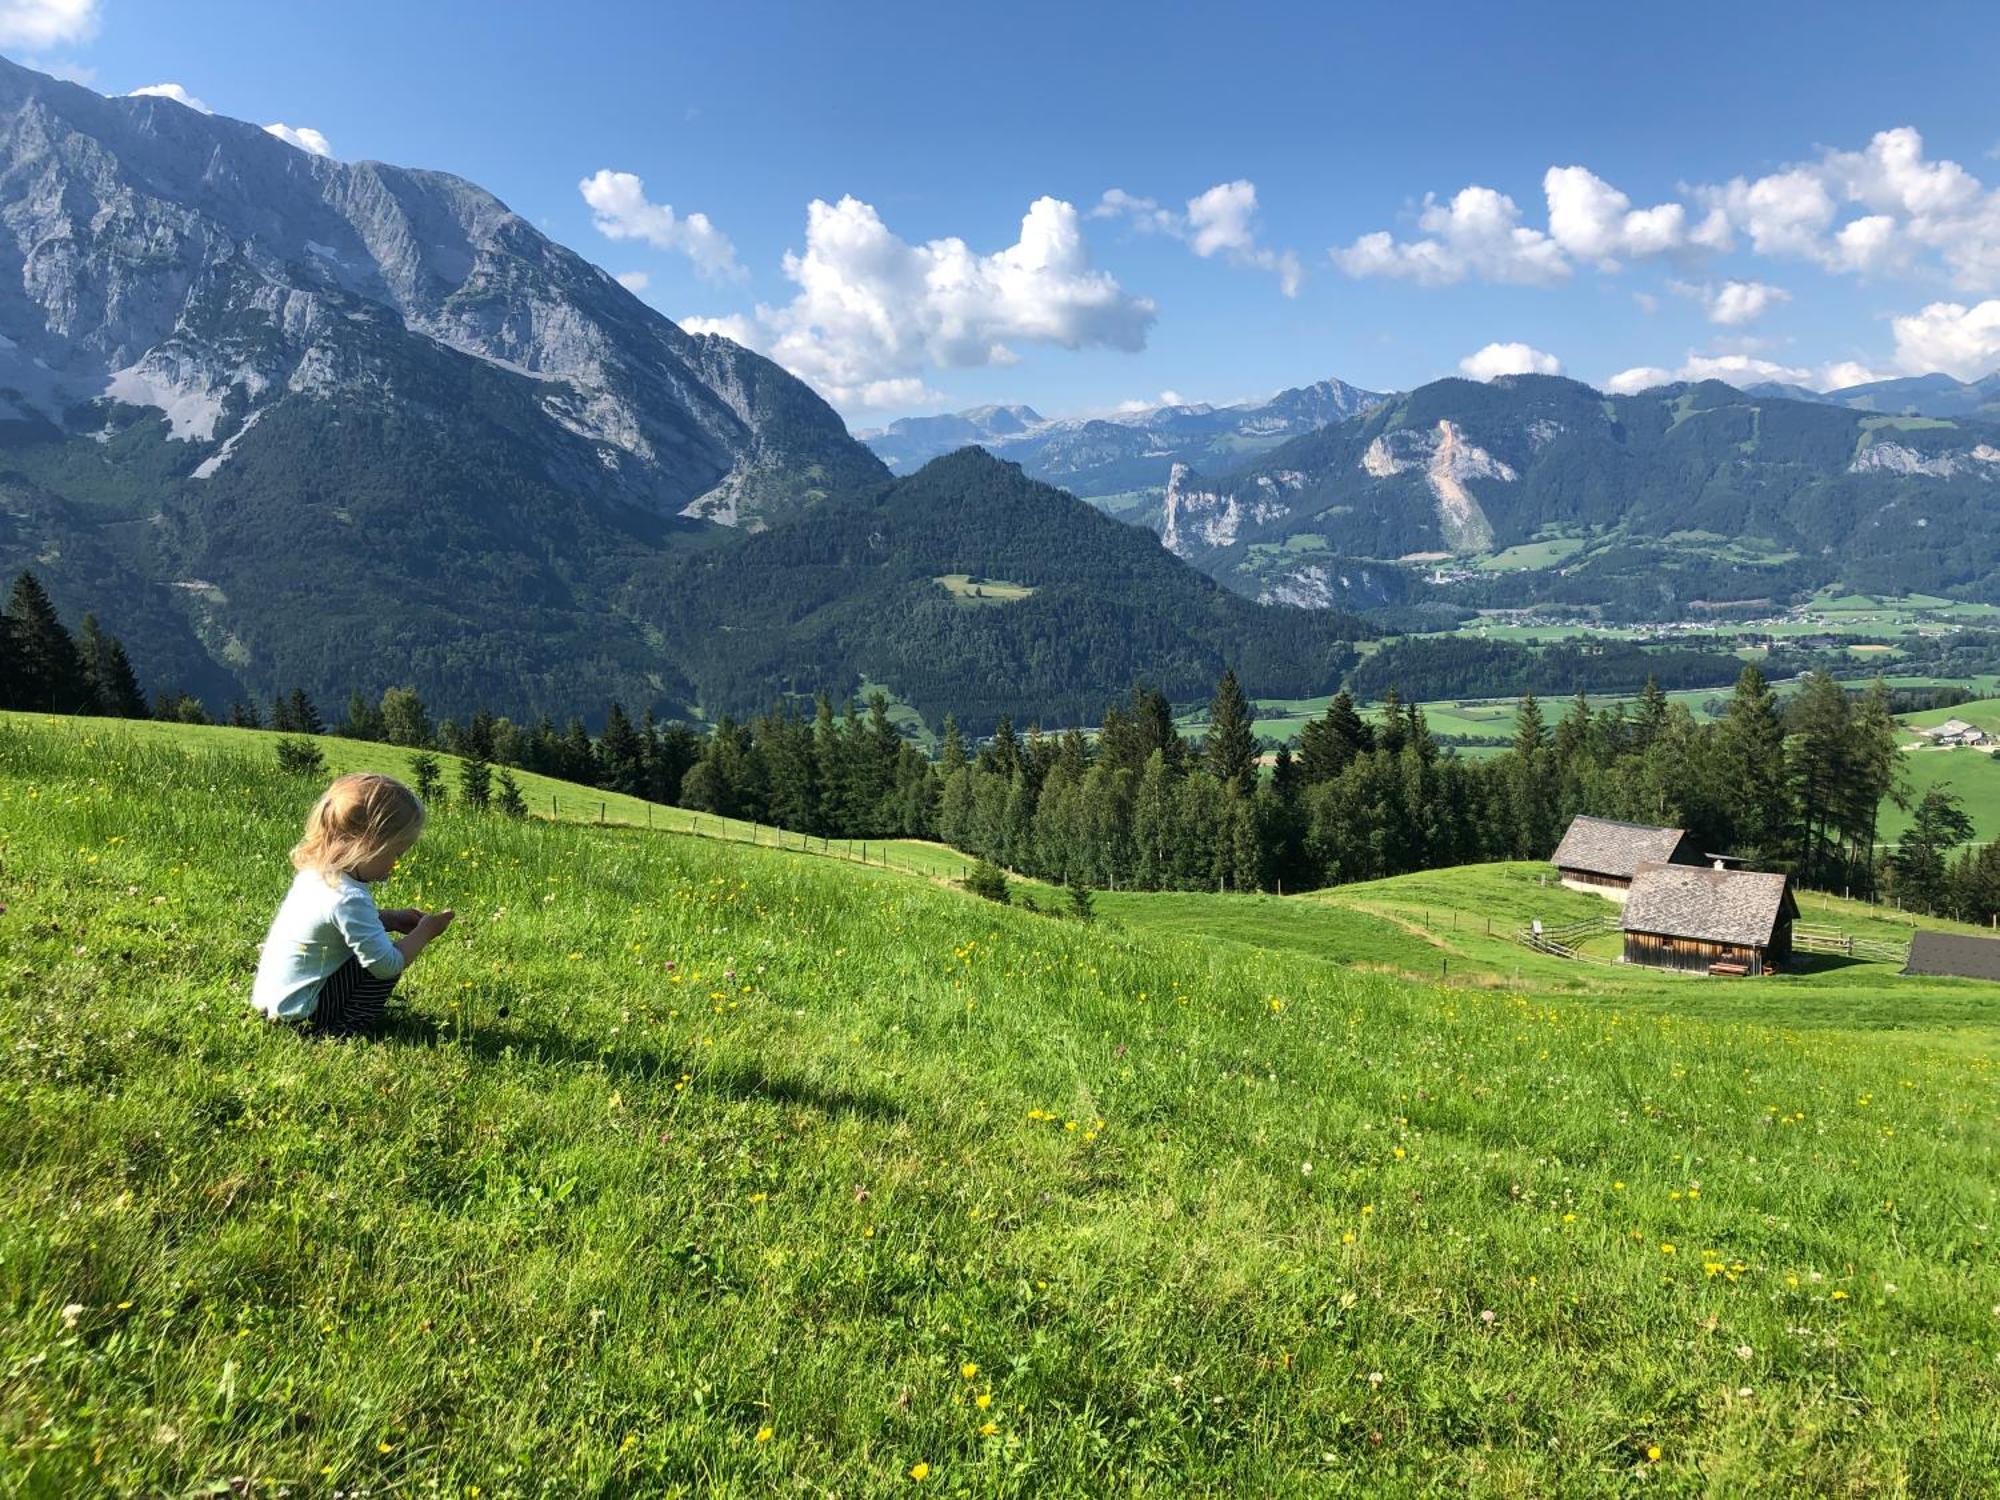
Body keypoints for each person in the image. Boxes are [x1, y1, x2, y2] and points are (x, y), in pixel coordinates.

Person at [251, 772, 454, 1035]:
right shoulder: (349, 897)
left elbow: (331, 926)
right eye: (395, 853)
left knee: (372, 943)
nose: (396, 863)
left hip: (273, 1003)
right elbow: (387, 965)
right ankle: (344, 1029)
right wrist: (425, 933)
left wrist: (389, 919)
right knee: (380, 961)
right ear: (368, 845)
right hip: (303, 1016)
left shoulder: (315, 875)